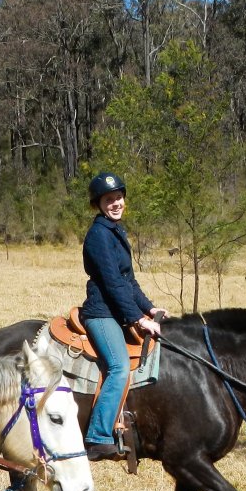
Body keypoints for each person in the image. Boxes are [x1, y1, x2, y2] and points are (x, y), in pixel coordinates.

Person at [80, 171, 168, 461]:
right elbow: (112, 283)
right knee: (119, 367)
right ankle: (98, 436)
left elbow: (128, 281)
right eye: (109, 199)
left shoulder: (116, 231)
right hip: (101, 313)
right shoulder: (98, 235)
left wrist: (150, 308)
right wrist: (137, 319)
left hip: (117, 310)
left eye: (118, 197)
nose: (115, 203)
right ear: (98, 204)